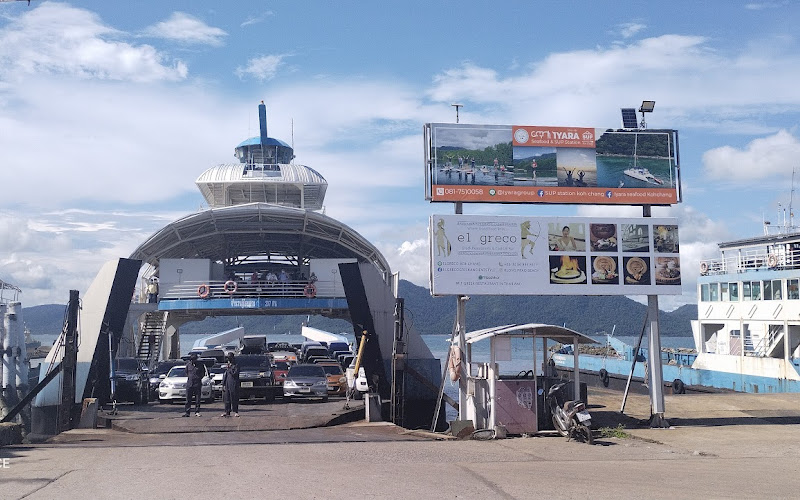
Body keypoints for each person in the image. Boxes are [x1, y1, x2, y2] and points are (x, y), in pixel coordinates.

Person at [221, 352, 240, 417]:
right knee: (227, 398)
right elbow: (225, 375)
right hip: (227, 383)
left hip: (233, 383)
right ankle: (227, 411)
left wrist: (230, 368)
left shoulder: (236, 365)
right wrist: (223, 383)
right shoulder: (228, 365)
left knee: (234, 397)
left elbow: (235, 373)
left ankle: (235, 411)